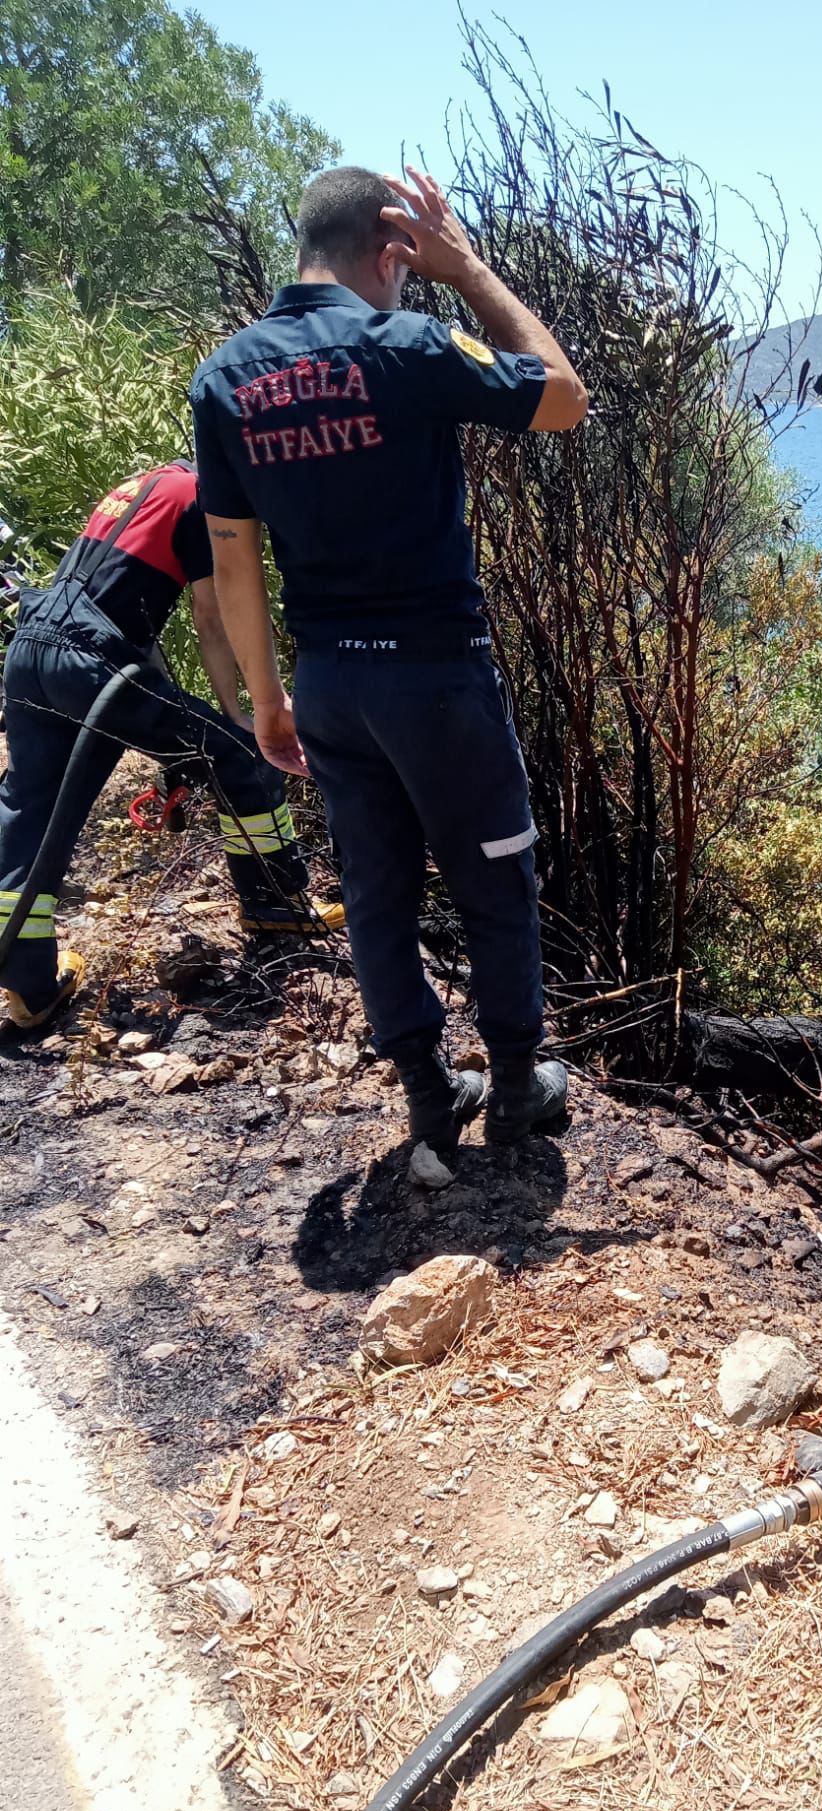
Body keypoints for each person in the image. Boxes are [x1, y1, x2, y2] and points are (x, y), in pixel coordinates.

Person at [189, 165, 588, 1185]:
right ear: (390, 245)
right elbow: (563, 399)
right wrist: (473, 272)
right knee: (495, 877)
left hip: (330, 683)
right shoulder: (405, 345)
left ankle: (425, 1093)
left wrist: (268, 701)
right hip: (436, 678)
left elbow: (233, 554)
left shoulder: (227, 376)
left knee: (376, 892)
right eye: (411, 263)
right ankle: (511, 1088)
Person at [0, 459, 341, 1031]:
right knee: (238, 757)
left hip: (33, 650)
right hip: (90, 661)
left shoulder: (145, 484)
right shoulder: (205, 497)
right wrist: (238, 722)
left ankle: (28, 983)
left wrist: (168, 738)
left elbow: (114, 613)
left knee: (31, 805)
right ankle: (276, 905)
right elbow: (214, 619)